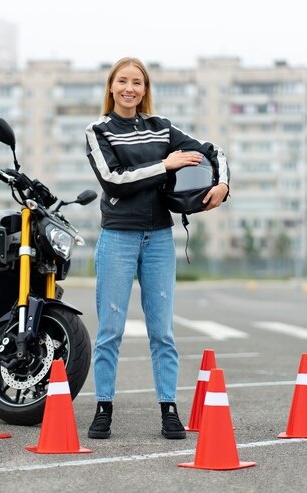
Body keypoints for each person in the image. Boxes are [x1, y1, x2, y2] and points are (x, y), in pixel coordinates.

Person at [84, 57, 230, 439]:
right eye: (123, 81)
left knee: (163, 331)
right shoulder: (98, 131)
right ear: (111, 87)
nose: (130, 88)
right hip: (118, 236)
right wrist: (165, 165)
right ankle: (103, 409)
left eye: (137, 82)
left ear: (145, 89)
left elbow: (214, 151)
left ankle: (169, 410)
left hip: (160, 238)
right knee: (110, 330)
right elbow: (115, 181)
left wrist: (223, 186)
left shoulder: (162, 127)